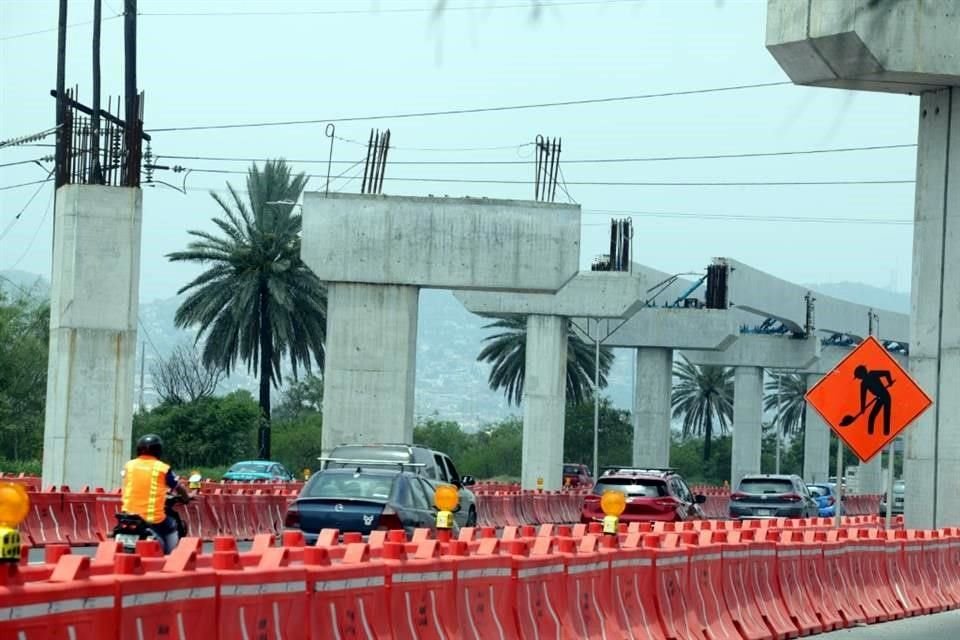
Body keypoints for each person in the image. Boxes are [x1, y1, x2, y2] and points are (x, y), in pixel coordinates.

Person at [120, 434, 189, 553]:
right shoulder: (162, 468)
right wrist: (186, 498)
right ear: (158, 450)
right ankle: (170, 556)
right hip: (151, 518)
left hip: (127, 515)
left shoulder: (129, 465)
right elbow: (178, 487)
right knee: (172, 524)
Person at [853, 365, 893, 436]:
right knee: (872, 416)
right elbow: (863, 397)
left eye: (858, 376)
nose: (859, 378)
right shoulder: (864, 383)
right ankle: (870, 434)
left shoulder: (872, 374)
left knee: (886, 416)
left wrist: (890, 382)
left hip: (885, 396)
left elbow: (887, 372)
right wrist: (863, 408)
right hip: (880, 398)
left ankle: (886, 434)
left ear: (861, 374)